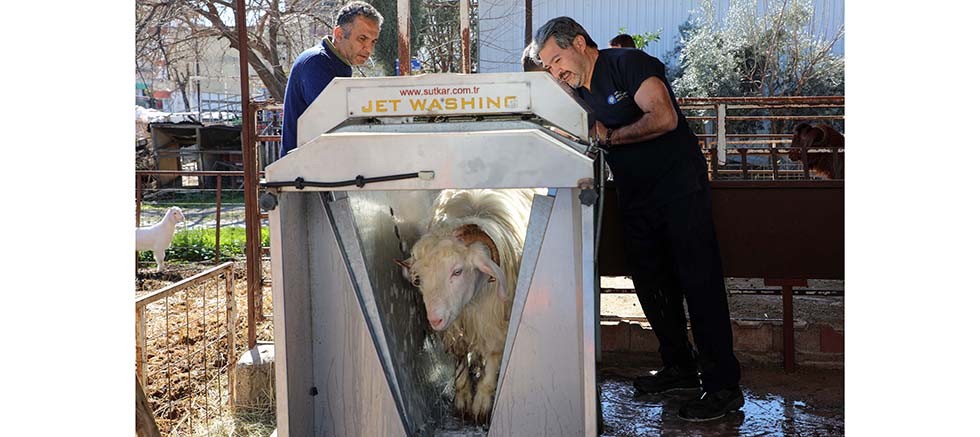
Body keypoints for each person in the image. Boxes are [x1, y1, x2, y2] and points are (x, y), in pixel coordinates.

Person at [532, 17, 744, 422]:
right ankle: (679, 367)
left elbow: (664, 117)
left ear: (579, 43)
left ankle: (722, 387)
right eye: (548, 66)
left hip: (679, 190)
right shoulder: (578, 90)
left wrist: (609, 137)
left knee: (698, 285)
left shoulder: (627, 63)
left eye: (557, 59)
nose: (556, 70)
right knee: (652, 286)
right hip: (635, 195)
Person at [280, 1, 383, 157]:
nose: (368, 49)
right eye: (362, 39)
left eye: (373, 42)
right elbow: (335, 123)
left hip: (316, 165)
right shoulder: (317, 62)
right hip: (301, 170)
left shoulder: (337, 63)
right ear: (339, 34)